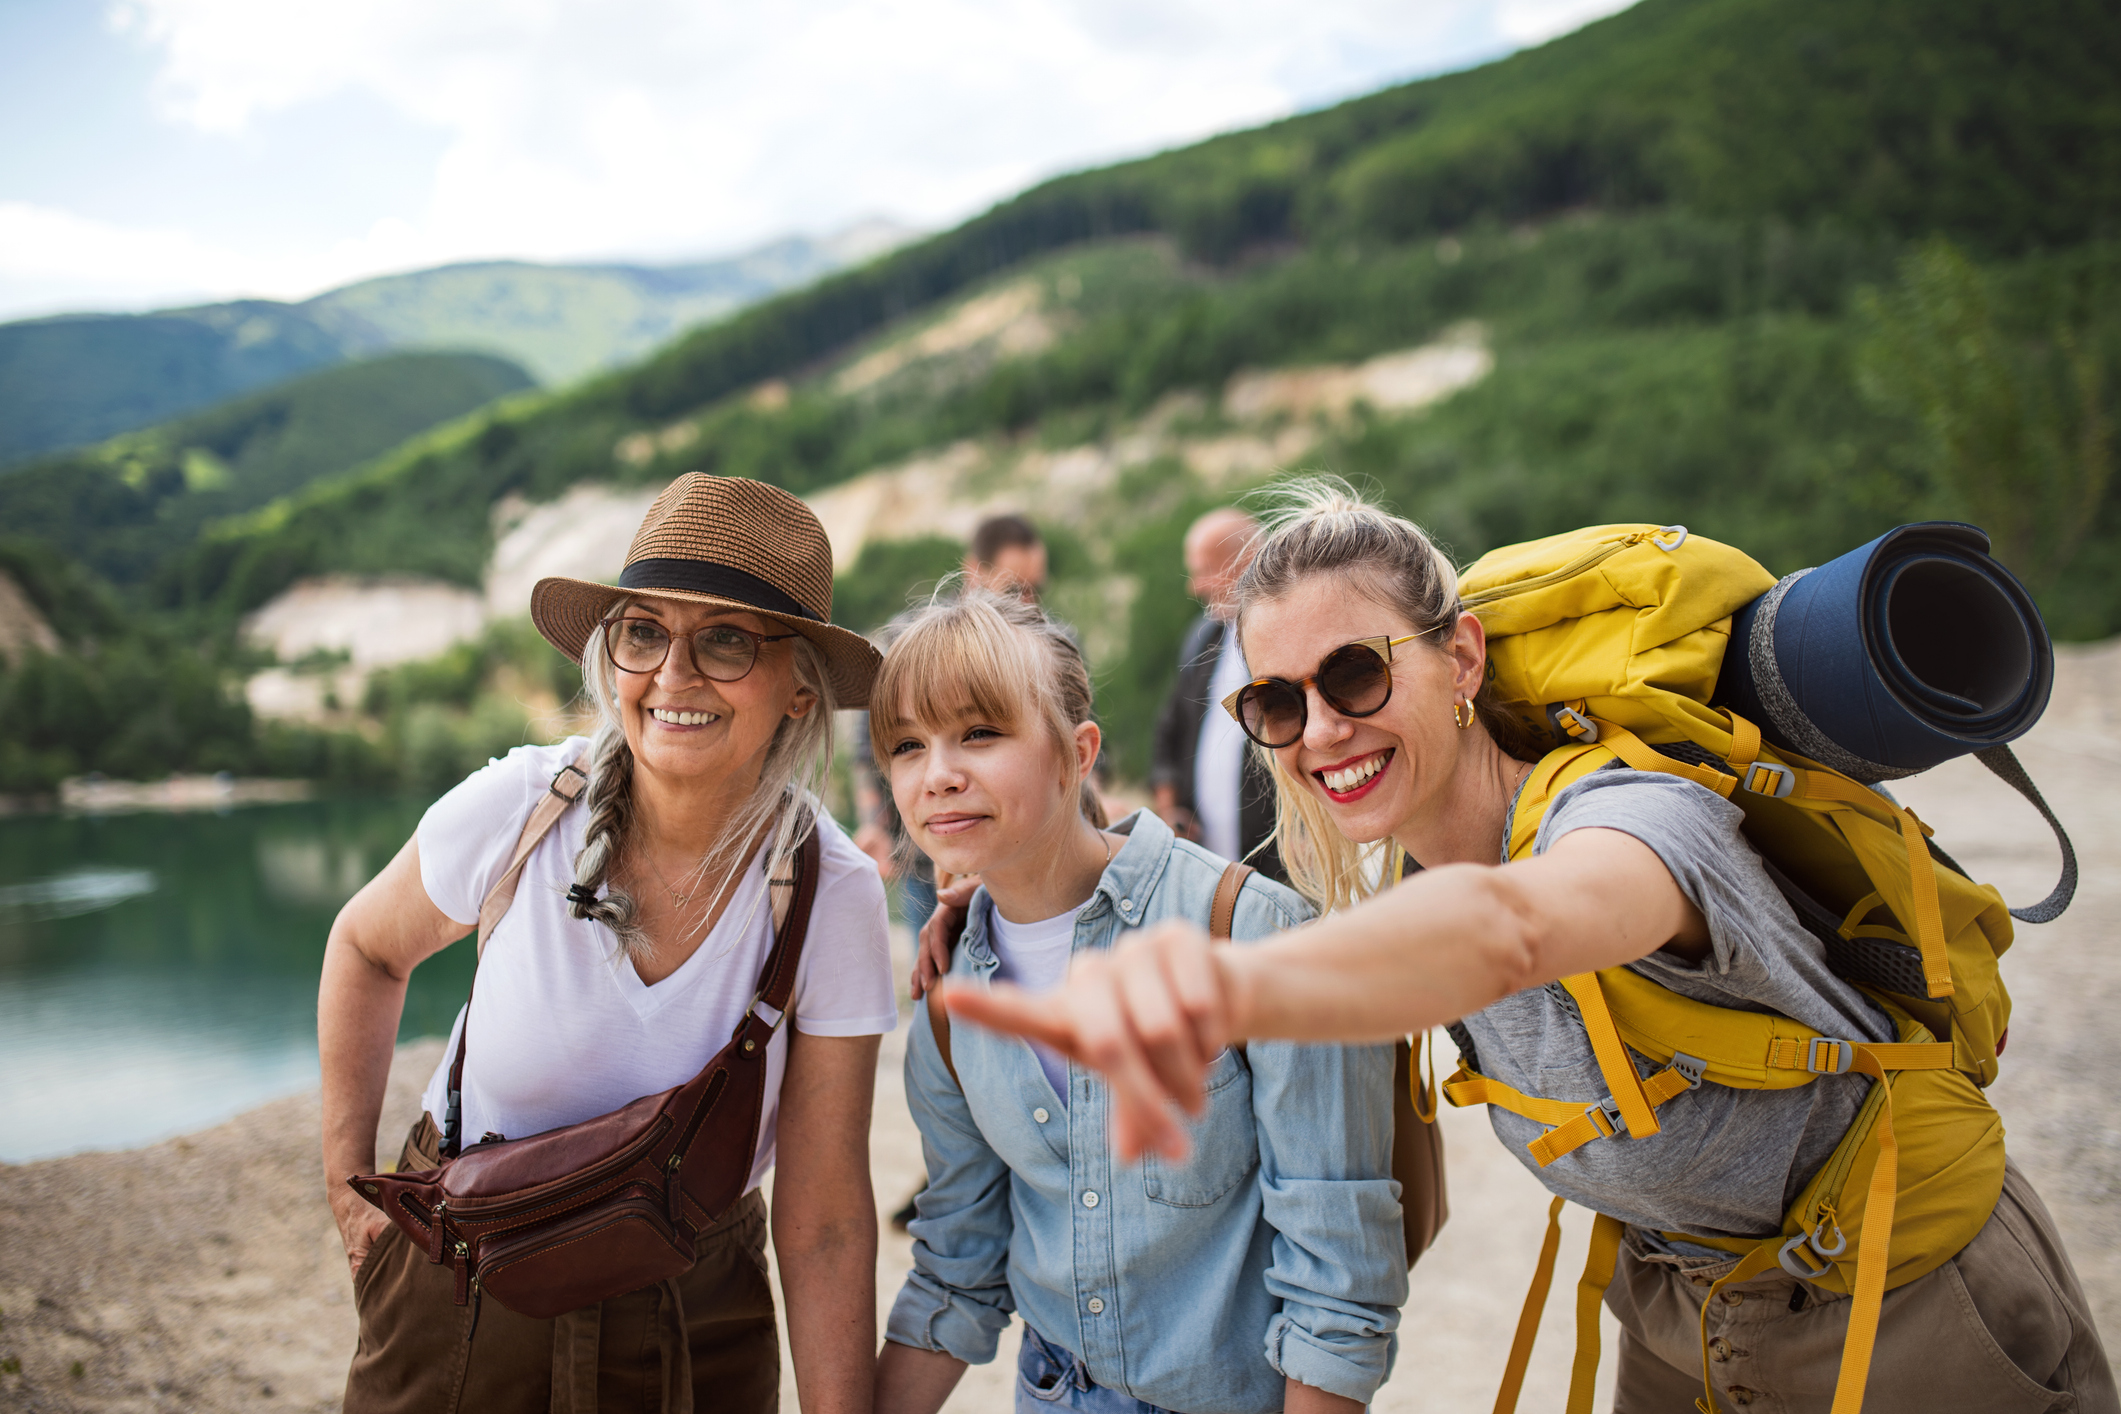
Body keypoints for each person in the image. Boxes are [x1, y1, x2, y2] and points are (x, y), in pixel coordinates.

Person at [947, 483, 2117, 1413]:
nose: (1323, 729)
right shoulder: (1402, 868)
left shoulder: (1628, 818)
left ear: (1458, 658)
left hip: (1916, 1309)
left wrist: (1229, 988)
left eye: (1355, 671)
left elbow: (1516, 928)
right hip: (1682, 1308)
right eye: (1278, 704)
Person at [320, 473, 895, 1414]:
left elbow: (827, 1216)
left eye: (724, 640)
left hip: (693, 1322)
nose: (672, 676)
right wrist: (347, 1186)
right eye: (643, 631)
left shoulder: (833, 893)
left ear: (800, 693)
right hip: (463, 1290)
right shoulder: (521, 808)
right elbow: (365, 949)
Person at [867, 586, 1403, 1414]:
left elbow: (1338, 1279)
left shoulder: (1252, 935)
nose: (937, 775)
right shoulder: (949, 1002)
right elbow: (959, 1265)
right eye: (905, 745)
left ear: (1076, 753)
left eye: (980, 733)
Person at [854, 512, 1055, 936]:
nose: (1027, 604)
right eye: (1015, 587)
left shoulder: (1049, 643)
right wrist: (875, 823)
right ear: (974, 572)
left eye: (1035, 590)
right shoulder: (907, 641)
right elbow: (865, 750)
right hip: (922, 859)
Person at [1151, 507, 1283, 880]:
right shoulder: (1204, 638)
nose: (1195, 587)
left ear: (1244, 561)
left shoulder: (1289, 642)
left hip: (1282, 868)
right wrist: (1169, 807)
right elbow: (1169, 729)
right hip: (1209, 869)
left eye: (1203, 571)